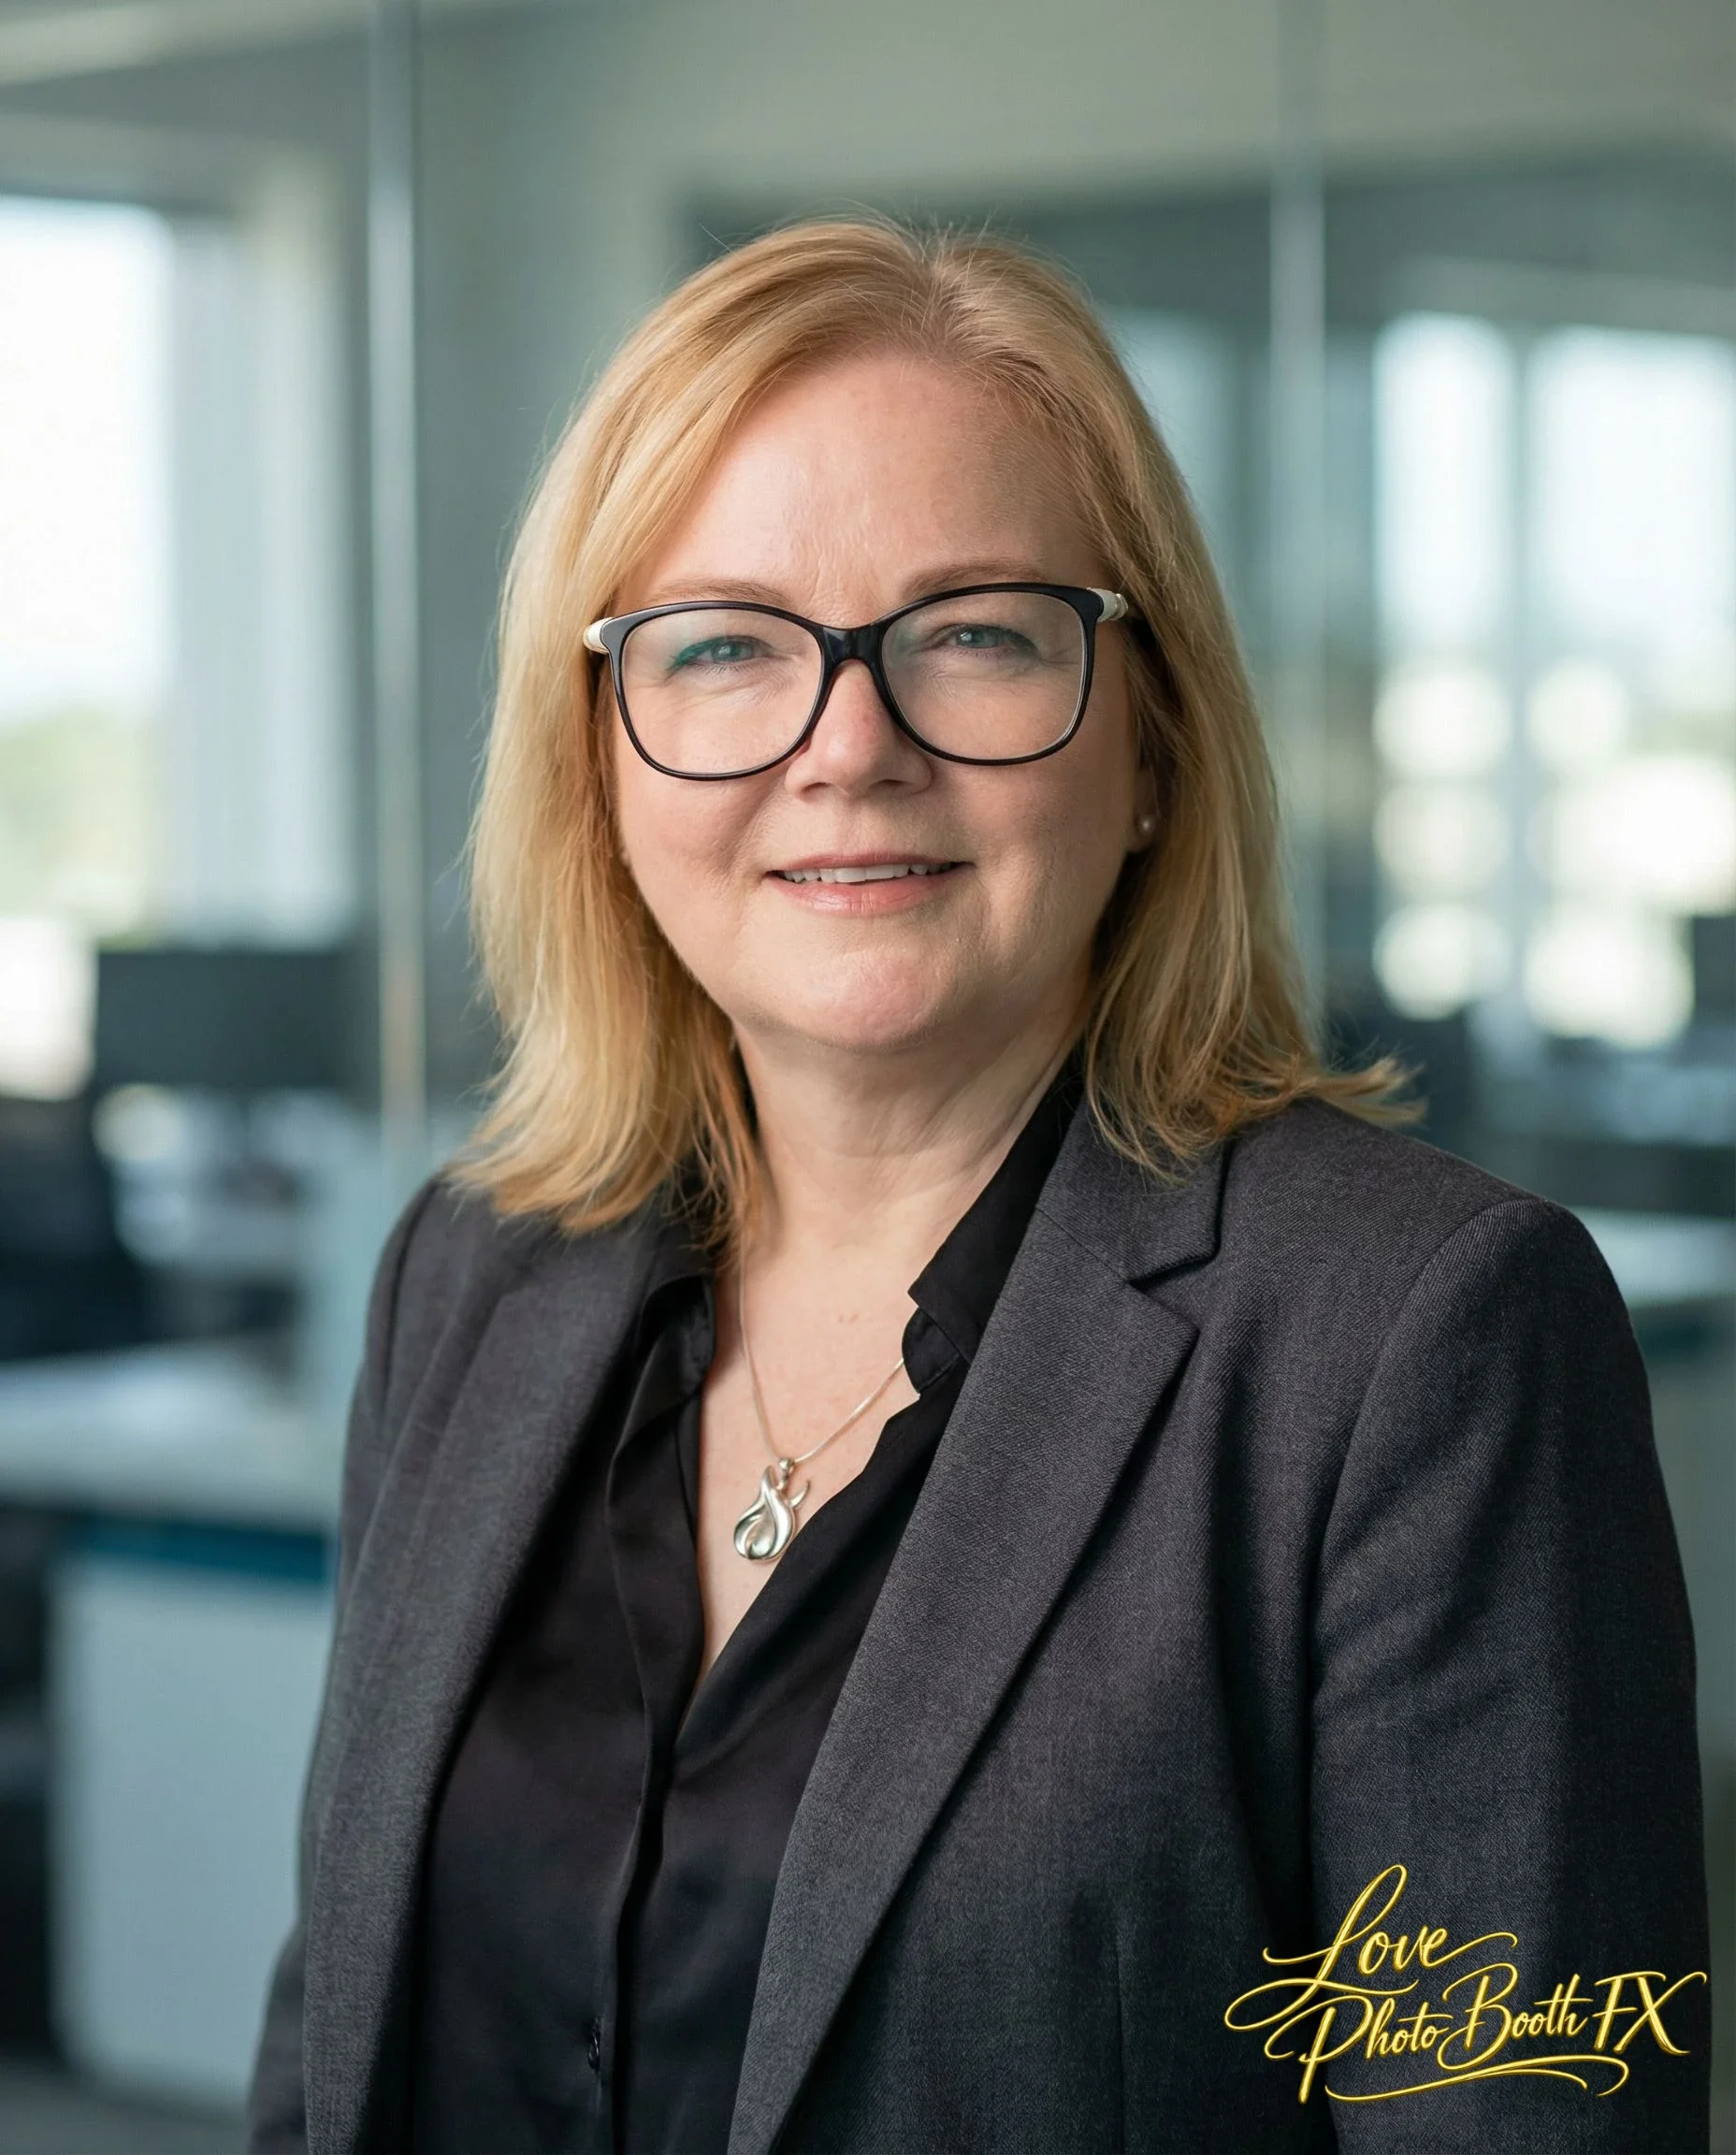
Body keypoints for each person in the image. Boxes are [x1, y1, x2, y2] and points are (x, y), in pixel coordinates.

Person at [248, 220, 1708, 2155]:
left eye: (975, 635)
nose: (849, 750)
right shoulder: (469, 1273)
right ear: (595, 763)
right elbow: (332, 2038)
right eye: (723, 646)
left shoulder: (1418, 1343)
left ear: (1153, 738)